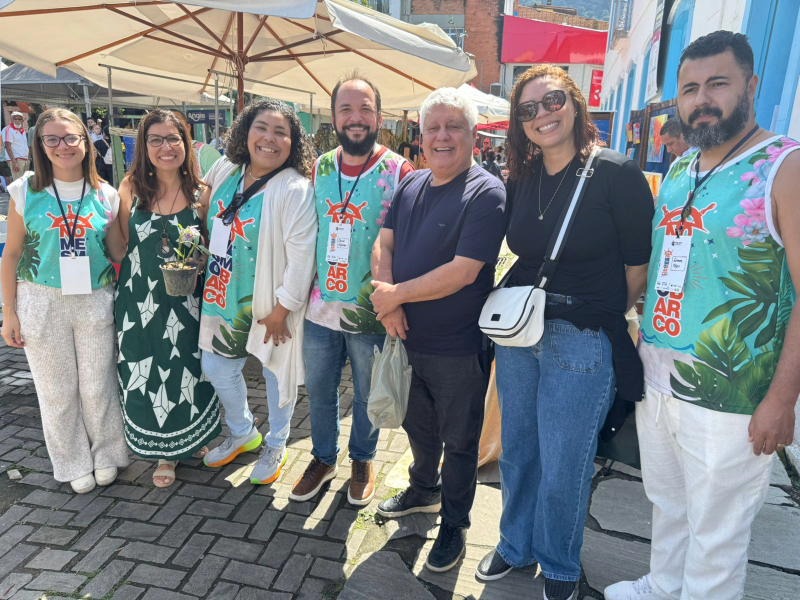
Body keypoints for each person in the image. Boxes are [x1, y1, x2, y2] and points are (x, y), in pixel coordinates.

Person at [606, 31, 800, 600]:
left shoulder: (784, 167)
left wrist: (782, 400)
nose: (702, 99)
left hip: (732, 389)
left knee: (718, 529)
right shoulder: (682, 167)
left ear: (751, 85)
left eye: (718, 83)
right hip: (659, 372)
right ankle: (664, 585)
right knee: (667, 501)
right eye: (689, 89)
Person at [475, 65, 654, 600]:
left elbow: (637, 269)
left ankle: (558, 563)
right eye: (528, 109)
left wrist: (601, 312)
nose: (542, 115)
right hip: (520, 335)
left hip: (581, 336)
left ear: (574, 102)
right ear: (519, 122)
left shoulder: (616, 172)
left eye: (552, 100)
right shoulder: (522, 178)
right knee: (517, 452)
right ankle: (516, 544)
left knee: (564, 462)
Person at [370, 87, 506, 573]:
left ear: (473, 134)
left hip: (457, 347)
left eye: (453, 127)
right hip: (406, 336)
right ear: (421, 135)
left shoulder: (486, 193)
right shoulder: (411, 183)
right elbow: (382, 244)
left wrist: (395, 296)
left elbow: (463, 272)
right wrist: (388, 305)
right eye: (433, 128)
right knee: (418, 427)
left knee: (461, 441)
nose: (442, 136)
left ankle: (455, 523)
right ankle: (423, 489)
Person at [290, 71, 413, 507]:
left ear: (379, 116)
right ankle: (323, 458)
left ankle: (362, 458)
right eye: (346, 109)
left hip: (371, 310)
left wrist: (398, 298)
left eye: (365, 109)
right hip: (320, 307)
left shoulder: (399, 171)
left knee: (366, 394)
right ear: (334, 116)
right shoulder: (320, 167)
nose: (355, 117)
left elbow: (408, 241)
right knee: (319, 391)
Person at [0, 108, 130, 494]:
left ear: (85, 142)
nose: (63, 146)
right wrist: (8, 312)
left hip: (94, 297)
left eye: (71, 137)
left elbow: (118, 252)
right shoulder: (24, 190)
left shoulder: (106, 194)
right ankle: (71, 460)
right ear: (40, 145)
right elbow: (11, 254)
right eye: (52, 139)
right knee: (56, 390)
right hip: (41, 299)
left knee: (98, 384)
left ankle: (108, 453)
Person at [199, 99, 318, 486]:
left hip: (271, 301)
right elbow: (204, 201)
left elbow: (303, 257)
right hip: (222, 290)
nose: (269, 138)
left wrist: (284, 309)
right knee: (216, 366)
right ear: (245, 132)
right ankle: (242, 432)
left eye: (281, 132)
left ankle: (277, 443)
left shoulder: (295, 188)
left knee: (276, 373)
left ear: (293, 142)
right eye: (261, 128)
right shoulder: (226, 169)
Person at [105, 109, 221, 488]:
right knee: (148, 367)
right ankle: (164, 452)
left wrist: (198, 258)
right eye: (155, 139)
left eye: (173, 138)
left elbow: (211, 247)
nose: (165, 147)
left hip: (189, 301)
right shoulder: (130, 189)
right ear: (144, 146)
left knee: (190, 367)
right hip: (139, 300)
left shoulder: (202, 193)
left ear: (186, 143)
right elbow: (120, 248)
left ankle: (192, 438)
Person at [3, 111, 30, 182]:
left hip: (25, 160)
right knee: (18, 183)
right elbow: (7, 146)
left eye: (19, 119)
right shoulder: (8, 129)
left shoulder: (23, 131)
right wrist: (14, 162)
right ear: (11, 120)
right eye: (15, 119)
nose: (17, 120)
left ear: (22, 121)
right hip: (17, 160)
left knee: (25, 182)